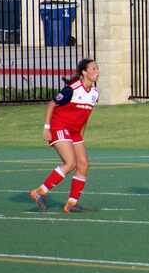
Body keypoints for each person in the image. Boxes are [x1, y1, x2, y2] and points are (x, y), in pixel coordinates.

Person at [29, 59, 99, 213]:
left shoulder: (95, 93)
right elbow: (52, 104)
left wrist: (81, 134)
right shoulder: (72, 89)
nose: (96, 71)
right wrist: (47, 127)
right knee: (70, 163)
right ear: (84, 72)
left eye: (97, 68)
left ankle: (71, 203)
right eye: (93, 69)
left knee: (83, 165)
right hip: (59, 126)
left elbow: (86, 115)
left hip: (74, 132)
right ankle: (38, 192)